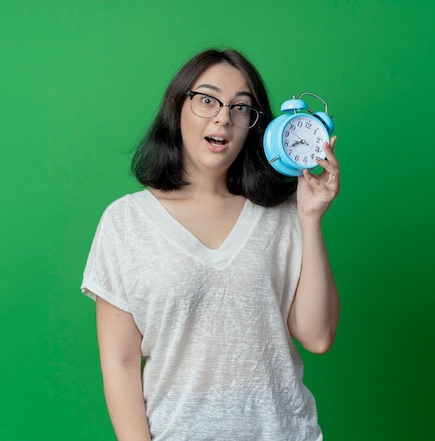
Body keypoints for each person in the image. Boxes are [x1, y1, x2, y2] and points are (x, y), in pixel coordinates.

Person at [81, 48, 341, 440]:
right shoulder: (125, 221)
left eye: (241, 108)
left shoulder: (283, 213)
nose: (223, 116)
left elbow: (317, 336)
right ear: (177, 106)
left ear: (255, 127)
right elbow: (119, 361)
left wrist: (309, 218)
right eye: (207, 99)